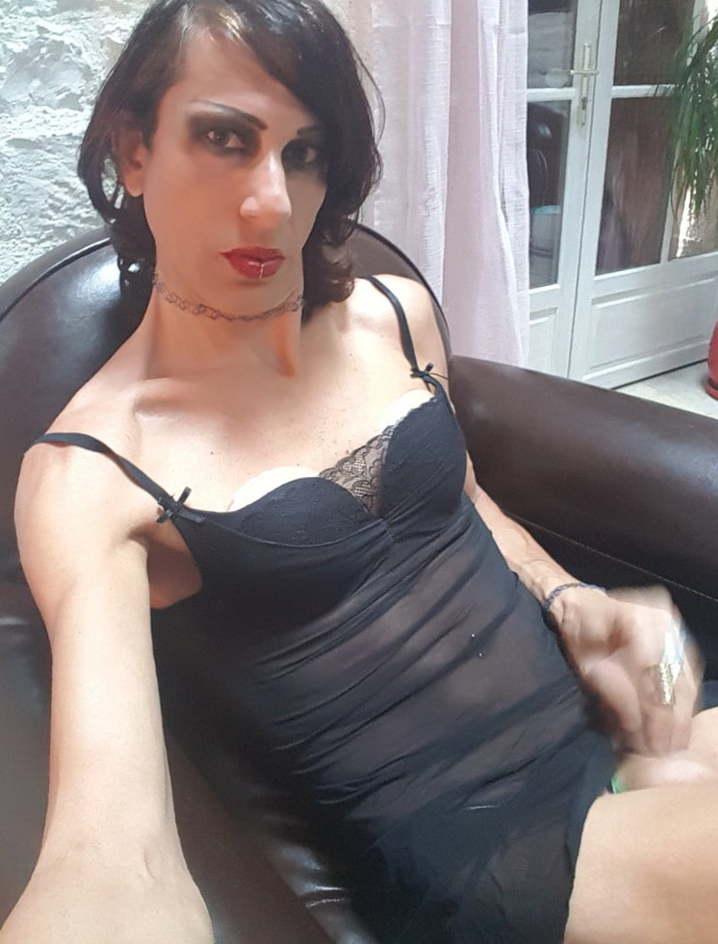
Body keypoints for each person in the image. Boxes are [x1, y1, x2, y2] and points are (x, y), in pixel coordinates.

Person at [3, 1, 718, 942]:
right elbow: (107, 850)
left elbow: (463, 501)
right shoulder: (93, 472)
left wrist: (572, 599)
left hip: (609, 730)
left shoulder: (394, 314)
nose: (271, 203)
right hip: (506, 856)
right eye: (225, 138)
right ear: (134, 153)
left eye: (304, 153)